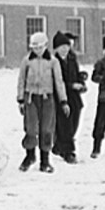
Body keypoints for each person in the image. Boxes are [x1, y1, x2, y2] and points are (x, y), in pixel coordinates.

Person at [16, 32, 70, 173]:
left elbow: (59, 81)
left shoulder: (53, 62)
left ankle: (45, 160)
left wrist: (63, 100)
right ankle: (29, 155)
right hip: (31, 98)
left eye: (40, 47)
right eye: (35, 48)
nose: (37, 51)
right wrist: (21, 99)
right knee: (31, 128)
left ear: (45, 46)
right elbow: (21, 80)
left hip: (48, 98)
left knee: (46, 129)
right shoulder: (26, 61)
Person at [51, 31, 87, 164]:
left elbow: (76, 74)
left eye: (67, 45)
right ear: (56, 48)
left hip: (75, 98)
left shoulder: (72, 59)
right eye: (61, 46)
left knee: (74, 123)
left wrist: (81, 81)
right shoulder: (53, 62)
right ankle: (69, 152)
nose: (65, 49)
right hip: (61, 97)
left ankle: (59, 146)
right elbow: (56, 82)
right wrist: (72, 85)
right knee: (65, 124)